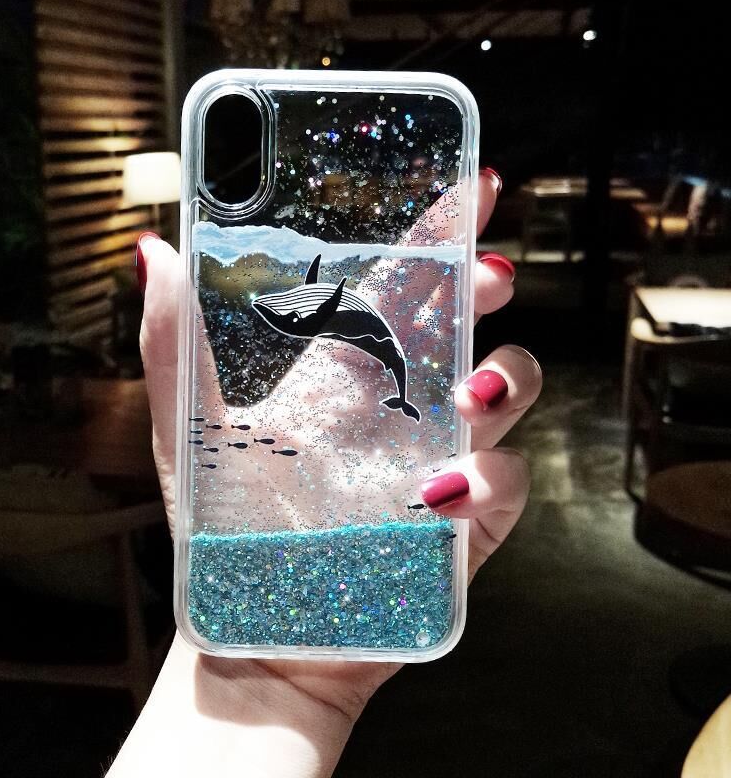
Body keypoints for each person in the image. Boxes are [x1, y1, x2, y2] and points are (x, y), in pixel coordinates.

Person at [107, 168, 542, 777]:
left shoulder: (320, 308)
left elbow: (312, 303)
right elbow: (307, 306)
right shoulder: (311, 311)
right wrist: (255, 686)